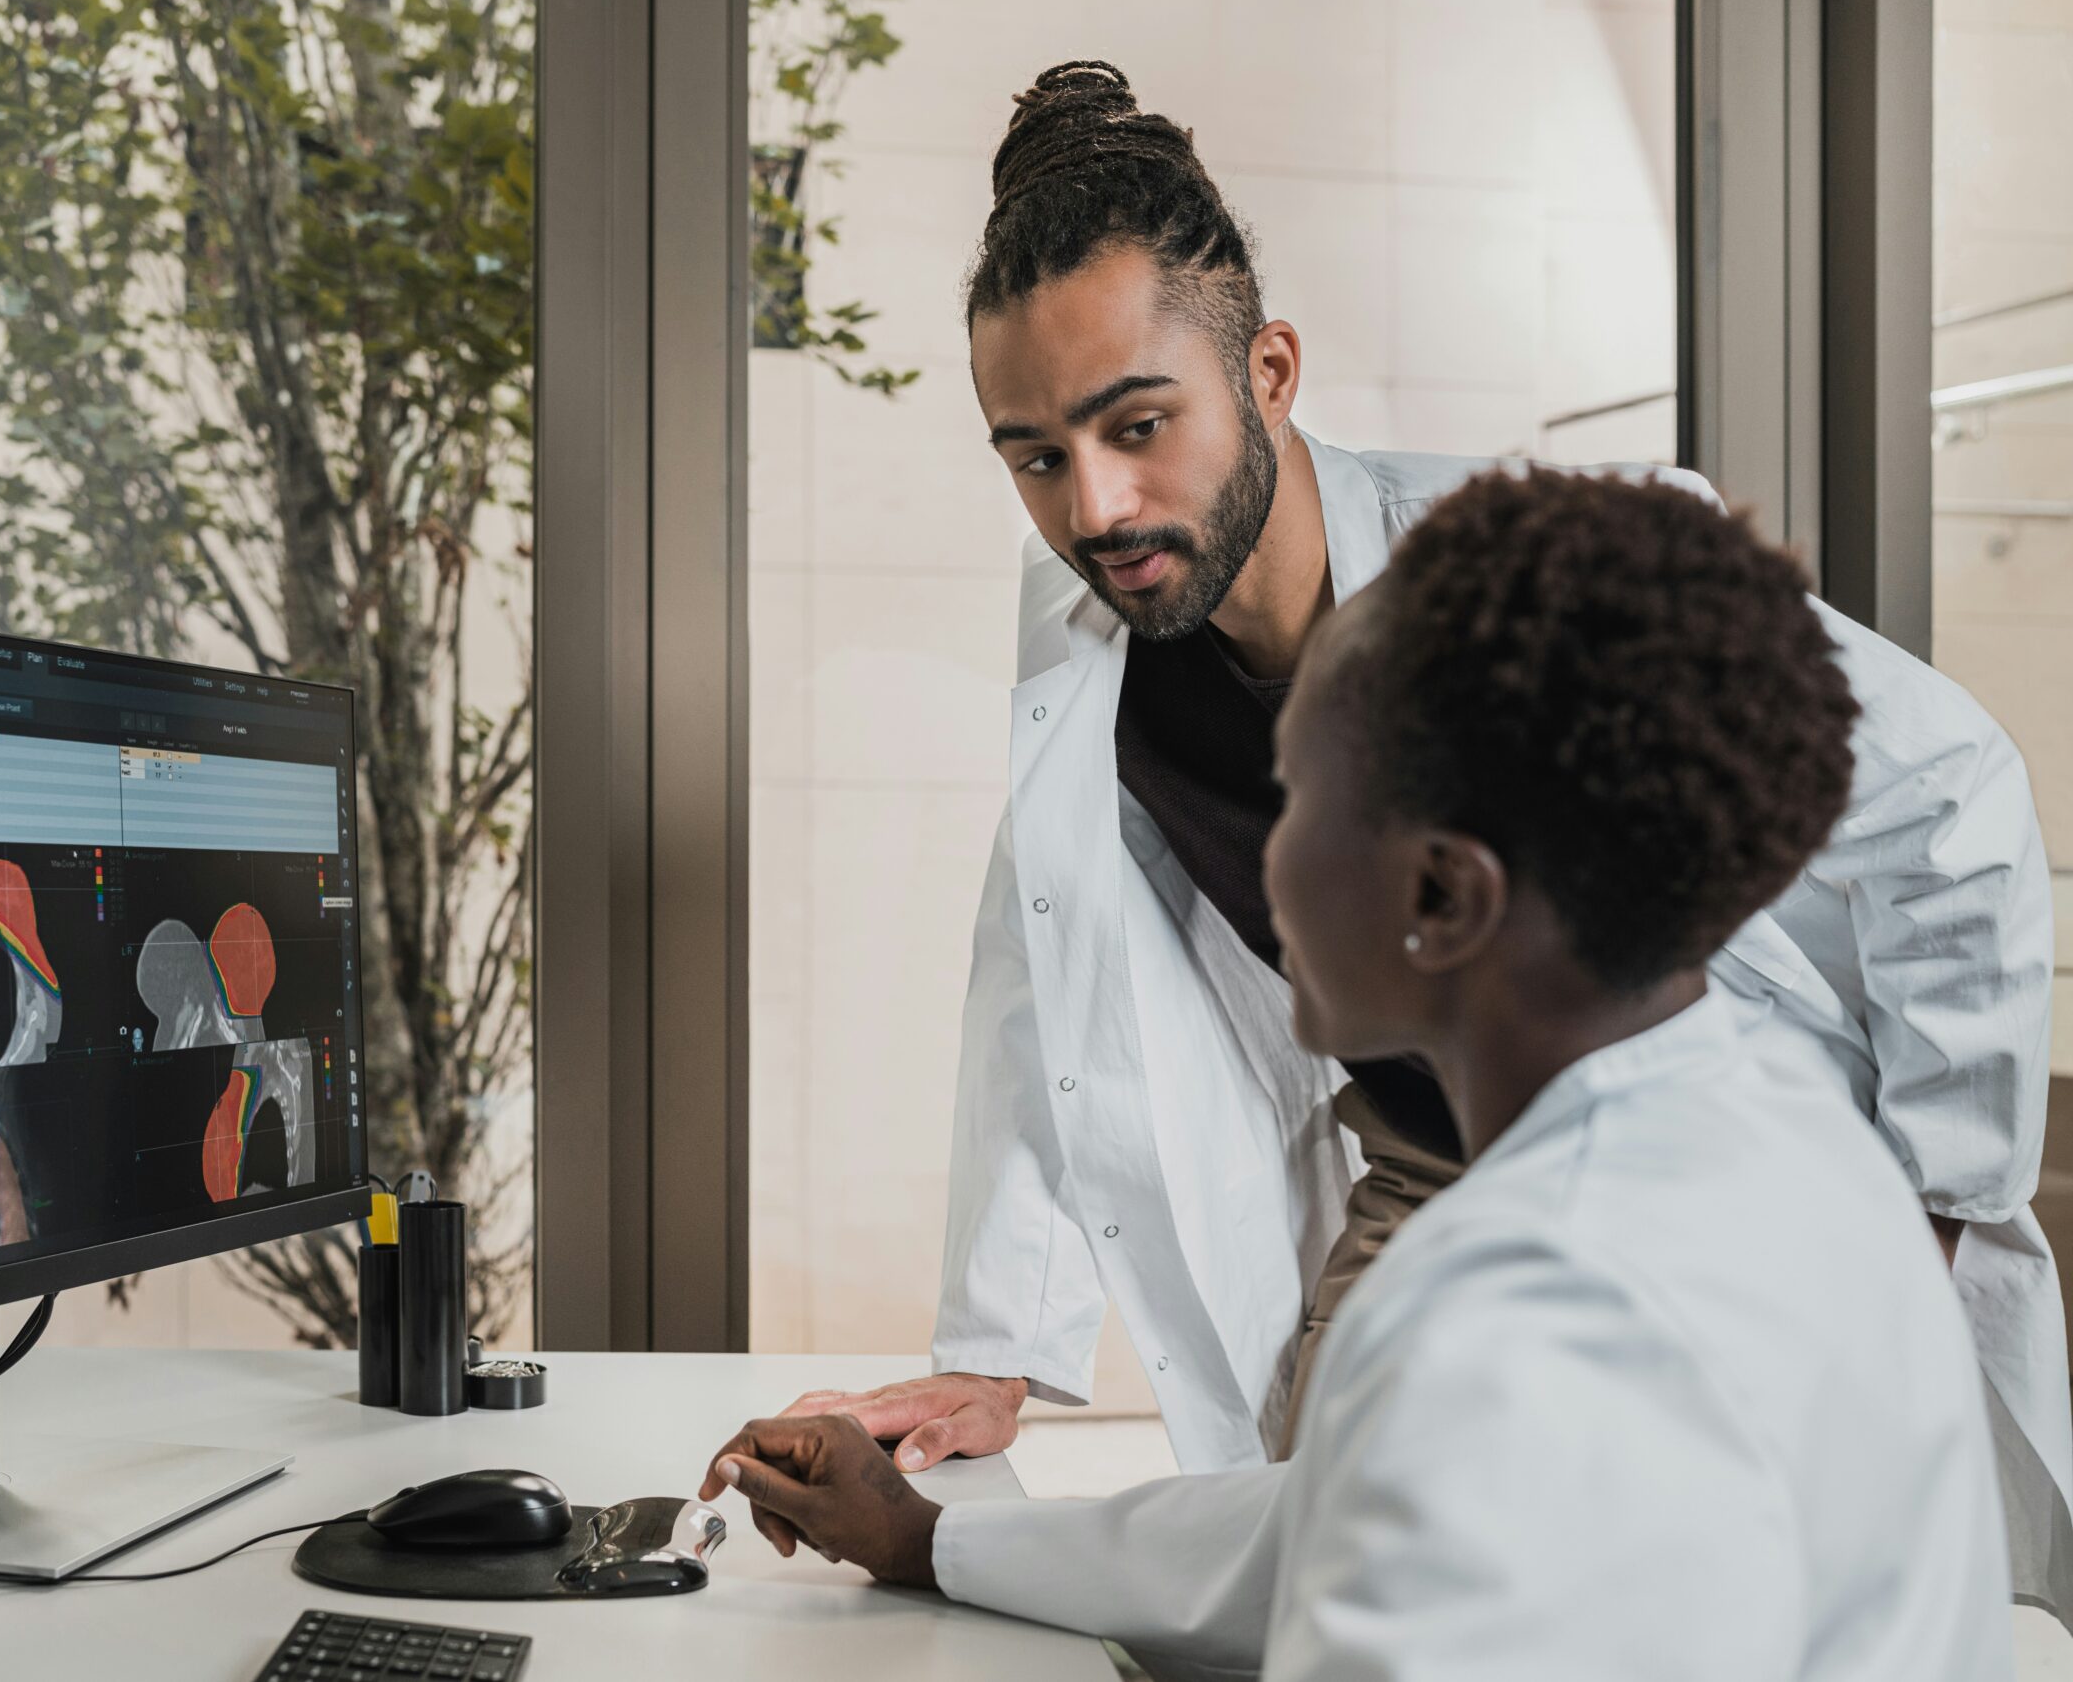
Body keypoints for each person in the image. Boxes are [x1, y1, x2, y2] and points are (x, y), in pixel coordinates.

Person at [774, 58, 2069, 1603]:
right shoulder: (1096, 637)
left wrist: (1926, 1208)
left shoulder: (1525, 571)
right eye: (1037, 458)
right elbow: (1043, 952)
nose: (1096, 507)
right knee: (1345, 1551)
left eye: (1137, 425)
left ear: (1268, 372)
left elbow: (1952, 793)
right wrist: (997, 1358)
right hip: (1419, 1153)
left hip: (1670, 1147)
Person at [707, 470, 2015, 1679]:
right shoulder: (1805, 1160)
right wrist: (924, 1540)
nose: (1256, 861)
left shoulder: (1508, 1302)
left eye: (1300, 799)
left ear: (1441, 896)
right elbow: (1337, 1511)